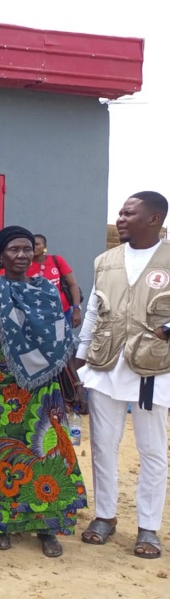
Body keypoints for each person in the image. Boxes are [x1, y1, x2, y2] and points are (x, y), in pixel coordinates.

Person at [0, 226, 88, 557]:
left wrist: (75, 385)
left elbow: (60, 346)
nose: (22, 255)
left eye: (27, 249)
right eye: (13, 250)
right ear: (0, 255)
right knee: (4, 458)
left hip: (44, 391)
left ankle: (46, 528)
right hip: (1, 391)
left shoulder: (48, 294)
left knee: (49, 455)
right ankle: (4, 524)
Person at [77, 191, 170, 559]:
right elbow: (93, 311)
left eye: (129, 213)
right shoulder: (106, 260)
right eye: (120, 212)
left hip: (153, 368)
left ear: (154, 218)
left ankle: (148, 527)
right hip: (105, 365)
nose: (121, 218)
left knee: (152, 451)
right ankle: (105, 516)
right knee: (103, 445)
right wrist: (79, 357)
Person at [28, 234, 83, 327]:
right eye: (31, 244)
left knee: (63, 340)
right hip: (37, 315)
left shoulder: (56, 260)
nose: (34, 247)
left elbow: (73, 284)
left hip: (62, 312)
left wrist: (76, 310)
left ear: (44, 247)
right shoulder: (25, 265)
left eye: (37, 244)